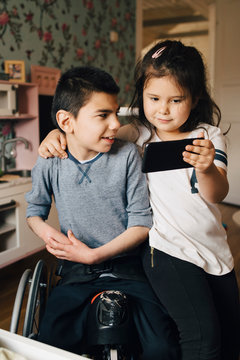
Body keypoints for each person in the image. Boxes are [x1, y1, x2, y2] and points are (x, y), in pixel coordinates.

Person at [38, 41, 240, 360]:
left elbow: (217, 194)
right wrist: (57, 134)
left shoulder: (208, 136)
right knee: (202, 338)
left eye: (176, 100)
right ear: (142, 96)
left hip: (215, 248)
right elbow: (92, 134)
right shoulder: (139, 134)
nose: (163, 109)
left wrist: (205, 168)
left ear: (195, 98)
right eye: (154, 98)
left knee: (231, 335)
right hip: (166, 249)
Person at [26, 66, 179, 358]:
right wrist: (50, 236)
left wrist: (96, 254)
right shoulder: (50, 160)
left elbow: (141, 221)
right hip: (77, 272)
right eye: (102, 115)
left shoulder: (127, 155)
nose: (114, 124)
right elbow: (35, 211)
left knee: (161, 346)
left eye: (115, 114)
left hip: (128, 269)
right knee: (51, 342)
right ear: (66, 122)